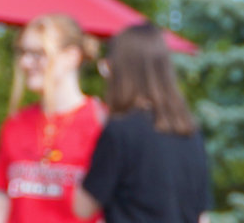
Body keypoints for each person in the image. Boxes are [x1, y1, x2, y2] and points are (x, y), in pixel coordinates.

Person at [71, 24, 212, 223]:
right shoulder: (190, 132)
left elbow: (82, 207)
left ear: (123, 71)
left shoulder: (120, 131)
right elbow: (202, 217)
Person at [0, 15, 106, 223]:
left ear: (71, 56)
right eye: (23, 53)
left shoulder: (101, 123)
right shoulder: (16, 124)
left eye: (38, 54)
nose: (25, 62)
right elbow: (1, 199)